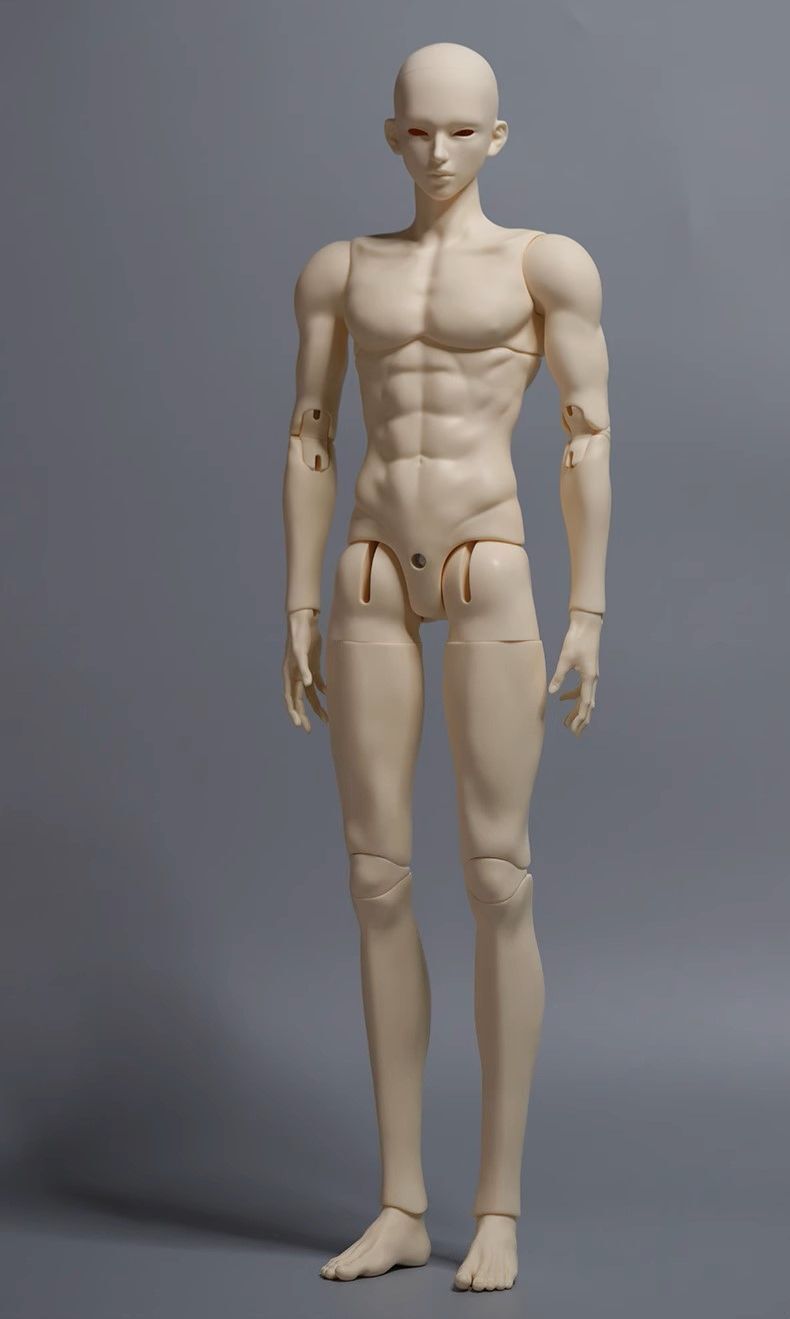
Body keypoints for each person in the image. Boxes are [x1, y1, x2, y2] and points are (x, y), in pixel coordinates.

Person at [281, 41, 612, 1292]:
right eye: (418, 130)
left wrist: (587, 606)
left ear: (497, 137)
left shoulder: (544, 264)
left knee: (496, 875)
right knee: (375, 878)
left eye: (461, 131)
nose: (437, 152)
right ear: (391, 134)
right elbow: (310, 432)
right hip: (369, 562)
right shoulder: (340, 270)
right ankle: (401, 1202)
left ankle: (498, 1204)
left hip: (487, 557)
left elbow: (586, 433)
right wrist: (296, 594)